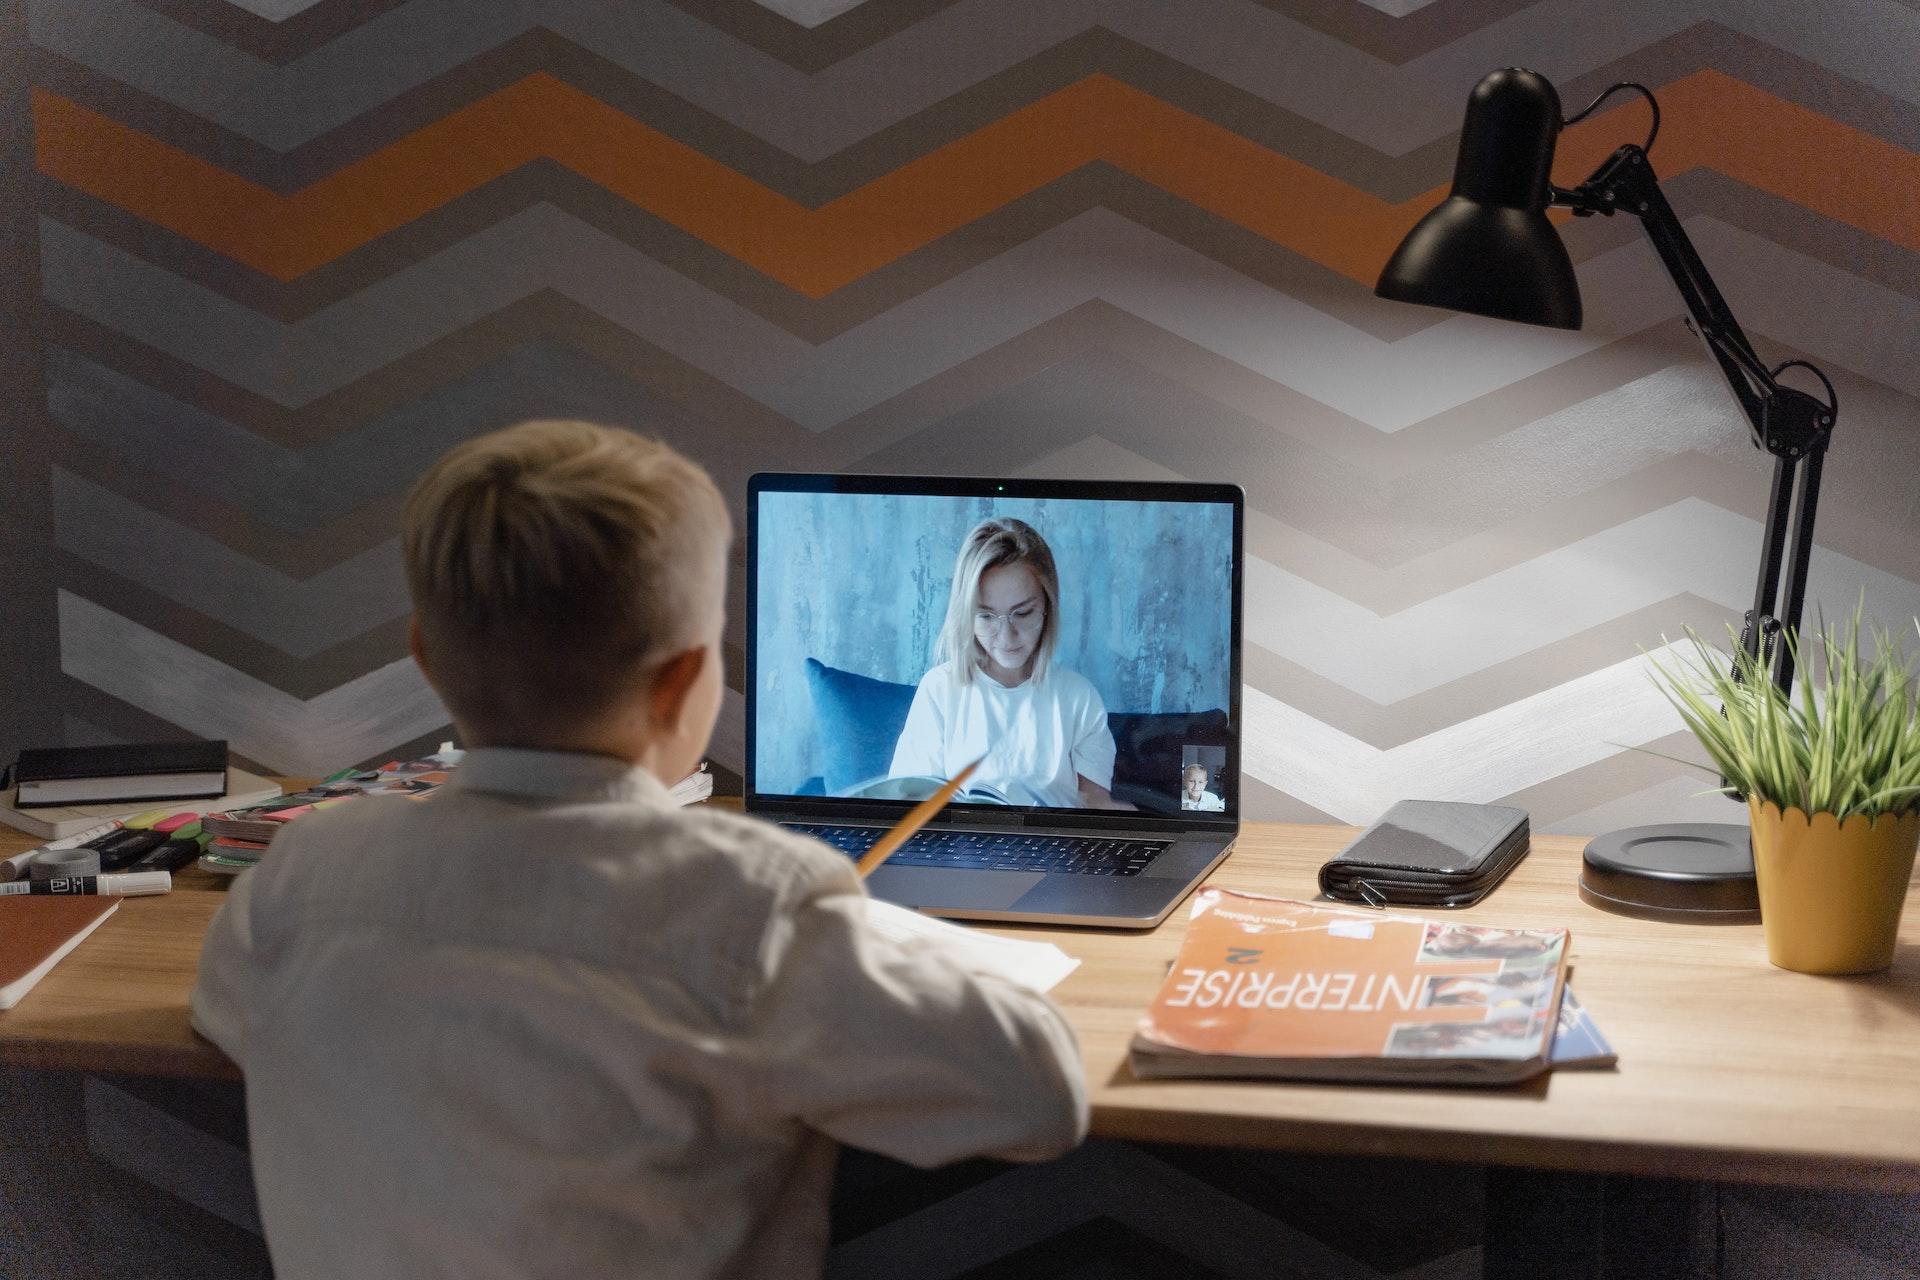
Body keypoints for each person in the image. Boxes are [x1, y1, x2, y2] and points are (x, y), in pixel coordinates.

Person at [189, 422, 1087, 1280]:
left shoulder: (294, 880)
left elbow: (223, 1010)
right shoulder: (759, 913)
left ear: (426, 658)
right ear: (689, 681)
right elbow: (1042, 1095)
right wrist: (863, 929)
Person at [888, 516, 1123, 809]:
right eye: (986, 615)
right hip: (959, 848)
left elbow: (1095, 809)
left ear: (1047, 607)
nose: (1007, 636)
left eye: (1022, 613)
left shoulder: (1079, 697)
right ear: (966, 615)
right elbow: (907, 803)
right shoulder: (939, 689)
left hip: (1050, 848)